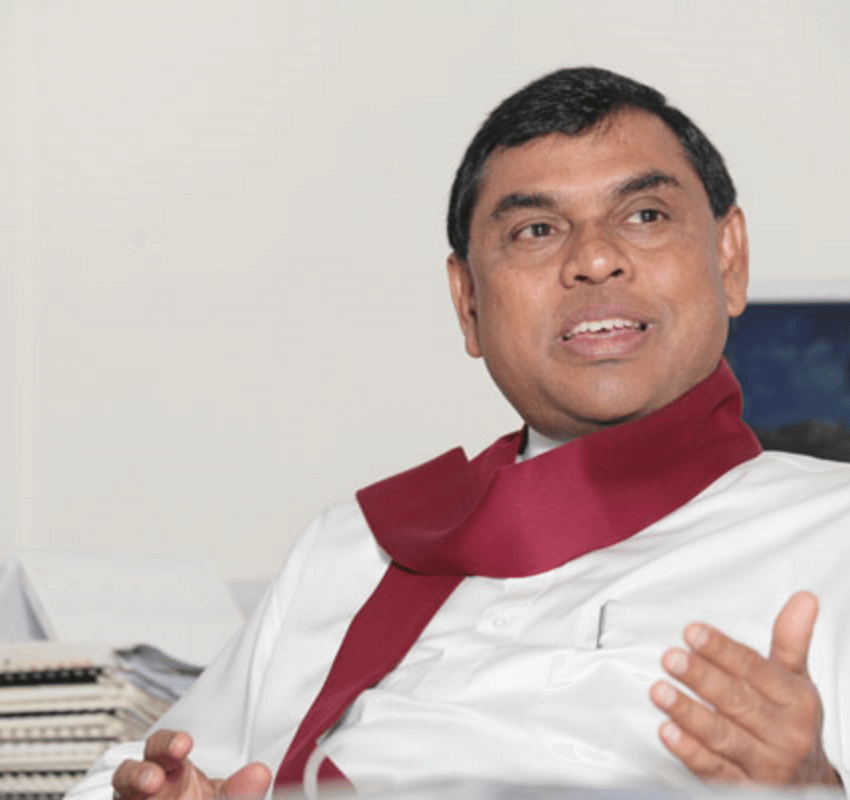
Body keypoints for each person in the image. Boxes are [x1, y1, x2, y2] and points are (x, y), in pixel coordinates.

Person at [70, 67, 850, 800]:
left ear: (729, 258)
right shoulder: (354, 548)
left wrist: (814, 786)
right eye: (537, 230)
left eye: (644, 215)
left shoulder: (832, 533)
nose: (595, 258)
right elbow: (154, 771)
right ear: (468, 302)